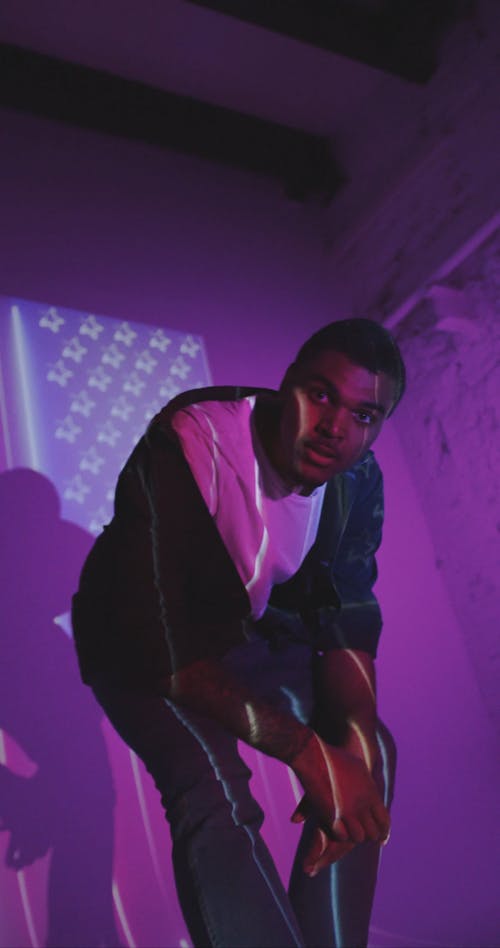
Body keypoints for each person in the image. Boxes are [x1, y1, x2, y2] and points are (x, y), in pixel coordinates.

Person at [72, 317, 406, 948]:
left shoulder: (357, 481)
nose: (336, 427)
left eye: (364, 415)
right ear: (286, 385)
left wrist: (349, 751)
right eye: (321, 394)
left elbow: (344, 616)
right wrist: (308, 754)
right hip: (140, 649)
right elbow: (165, 650)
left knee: (370, 749)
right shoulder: (194, 439)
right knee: (212, 789)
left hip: (241, 637)